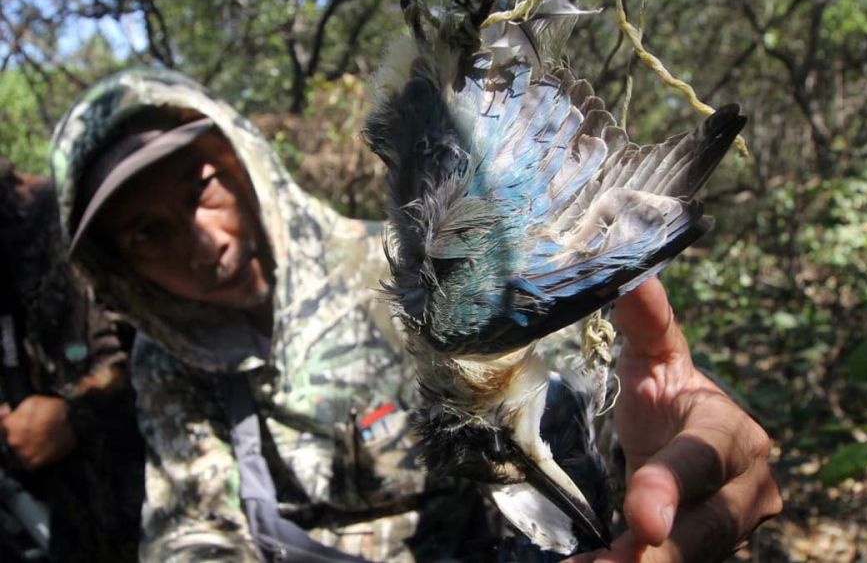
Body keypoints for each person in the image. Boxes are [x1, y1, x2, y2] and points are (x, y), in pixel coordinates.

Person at [50, 68, 780, 562]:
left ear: (243, 160)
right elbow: (195, 528)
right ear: (120, 267)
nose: (203, 241)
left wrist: (646, 450)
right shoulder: (166, 362)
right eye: (146, 232)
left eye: (202, 186)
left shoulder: (400, 276)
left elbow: (565, 402)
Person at [0, 157, 145, 561]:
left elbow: (184, 358)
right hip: (51, 520)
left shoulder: (68, 221)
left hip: (148, 514)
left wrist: (76, 416)